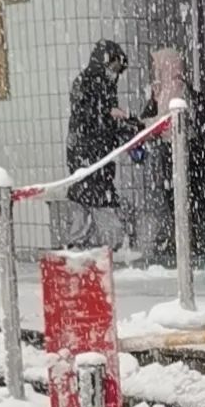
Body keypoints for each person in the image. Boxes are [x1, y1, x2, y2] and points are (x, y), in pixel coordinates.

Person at [65, 40, 141, 251]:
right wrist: (108, 114)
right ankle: (86, 251)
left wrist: (129, 126)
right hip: (86, 159)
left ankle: (83, 251)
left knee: (91, 208)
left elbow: (108, 123)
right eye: (114, 68)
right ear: (104, 62)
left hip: (98, 161)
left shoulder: (106, 87)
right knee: (95, 209)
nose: (115, 74)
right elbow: (85, 116)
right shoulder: (85, 83)